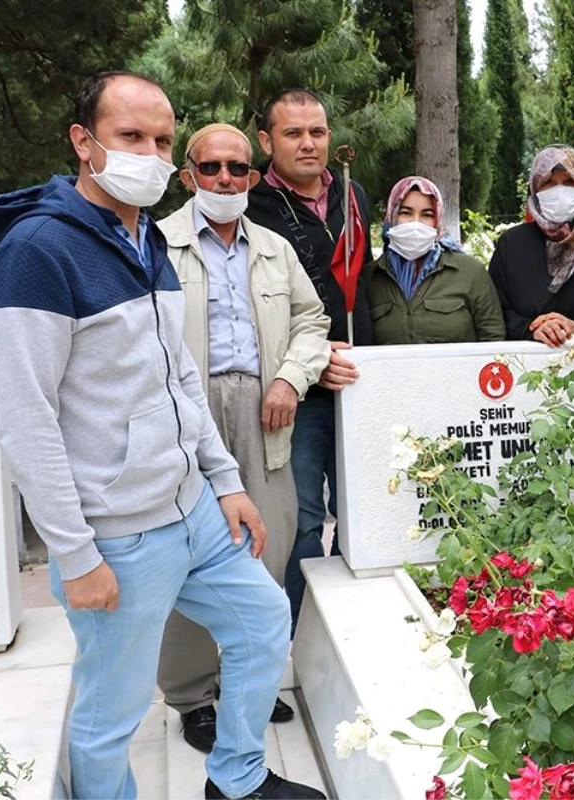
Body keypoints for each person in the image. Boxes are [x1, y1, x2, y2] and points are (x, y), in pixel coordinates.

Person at [0, 72, 322, 800]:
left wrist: (224, 484)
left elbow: (180, 381)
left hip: (190, 507)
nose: (151, 153)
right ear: (83, 141)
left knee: (263, 622)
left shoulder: (144, 241)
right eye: (131, 136)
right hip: (116, 533)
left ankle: (237, 779)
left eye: (162, 140)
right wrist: (74, 556)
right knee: (113, 713)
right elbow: (27, 422)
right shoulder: (36, 253)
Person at [157, 123, 332, 753]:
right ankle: (193, 696)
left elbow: (313, 319)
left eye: (237, 169)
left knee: (268, 544)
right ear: (188, 176)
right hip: (189, 413)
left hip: (267, 411)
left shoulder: (274, 248)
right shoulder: (158, 244)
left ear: (253, 179)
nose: (226, 179)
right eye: (211, 168)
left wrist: (290, 379)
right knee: (191, 552)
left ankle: (249, 685)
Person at [246, 89, 369, 629]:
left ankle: (347, 626)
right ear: (266, 140)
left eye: (317, 131)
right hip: (294, 390)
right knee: (300, 519)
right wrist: (311, 360)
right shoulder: (249, 204)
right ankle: (294, 631)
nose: (308, 143)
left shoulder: (352, 192)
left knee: (362, 507)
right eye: (293, 133)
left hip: (358, 380)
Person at [488, 145, 574, 345]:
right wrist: (533, 329)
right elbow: (495, 310)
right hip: (526, 366)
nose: (560, 191)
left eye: (569, 182)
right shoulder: (511, 245)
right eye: (549, 183)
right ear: (535, 188)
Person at [367, 176, 504, 344]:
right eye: (406, 213)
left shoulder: (470, 272)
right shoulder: (371, 276)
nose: (415, 223)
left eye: (427, 214)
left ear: (437, 221)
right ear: (392, 217)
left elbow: (493, 338)